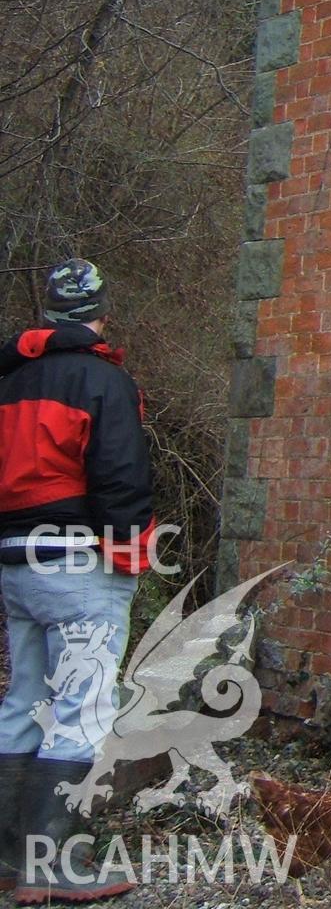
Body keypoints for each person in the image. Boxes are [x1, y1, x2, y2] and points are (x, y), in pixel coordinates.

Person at [0, 259, 154, 901]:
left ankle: (12, 858)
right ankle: (50, 865)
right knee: (82, 710)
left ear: (49, 313)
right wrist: (131, 553)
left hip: (13, 558)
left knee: (22, 703)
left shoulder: (9, 381)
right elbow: (121, 477)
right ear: (102, 315)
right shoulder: (103, 380)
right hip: (76, 558)